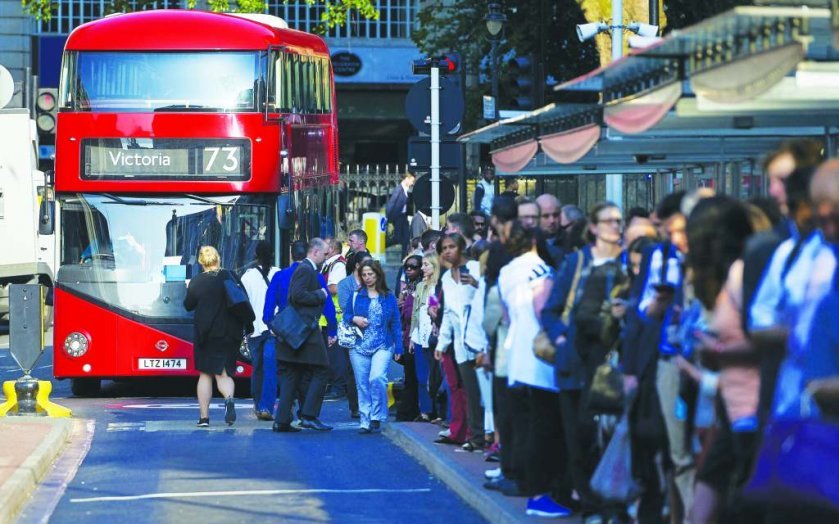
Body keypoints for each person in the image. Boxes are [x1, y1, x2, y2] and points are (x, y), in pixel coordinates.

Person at [497, 221, 570, 518]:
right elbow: (544, 310)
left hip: (515, 355)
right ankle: (541, 495)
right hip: (540, 359)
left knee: (526, 428)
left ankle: (530, 486)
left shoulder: (506, 271)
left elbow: (505, 315)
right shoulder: (540, 269)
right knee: (545, 429)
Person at [271, 238, 335, 433]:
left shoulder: (305, 269)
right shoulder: (306, 270)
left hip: (294, 333)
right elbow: (296, 295)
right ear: (314, 252)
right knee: (322, 369)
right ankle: (309, 415)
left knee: (293, 374)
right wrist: (321, 295)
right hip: (304, 331)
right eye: (325, 254)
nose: (326, 258)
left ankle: (282, 421)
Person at [183, 246, 251, 427]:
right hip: (230, 334)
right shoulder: (230, 276)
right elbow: (243, 298)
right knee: (224, 373)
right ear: (218, 259)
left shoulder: (197, 282)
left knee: (205, 374)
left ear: (201, 262)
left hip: (207, 334)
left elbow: (188, 305)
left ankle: (204, 418)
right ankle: (229, 400)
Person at [434, 232, 483, 448]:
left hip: (481, 341)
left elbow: (491, 297)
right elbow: (448, 315)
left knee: (486, 393)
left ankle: (488, 438)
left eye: (451, 246)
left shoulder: (475, 269)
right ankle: (476, 437)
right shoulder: (446, 277)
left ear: (461, 247)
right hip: (460, 344)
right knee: (470, 391)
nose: (447, 251)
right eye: (443, 248)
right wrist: (442, 343)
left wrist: (476, 284)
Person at [344, 260, 402, 433]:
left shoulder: (389, 296)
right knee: (362, 383)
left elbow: (396, 323)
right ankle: (365, 419)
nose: (368, 278)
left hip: (383, 343)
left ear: (378, 275)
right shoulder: (356, 295)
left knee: (376, 378)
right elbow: (346, 315)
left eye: (371, 274)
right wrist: (355, 319)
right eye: (364, 275)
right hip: (358, 345)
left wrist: (399, 347)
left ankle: (376, 415)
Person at [240, 240, 280, 421]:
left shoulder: (246, 277)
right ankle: (266, 406)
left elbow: (243, 303)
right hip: (273, 329)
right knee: (270, 368)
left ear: (255, 254)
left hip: (253, 328)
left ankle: (257, 405)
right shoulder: (278, 273)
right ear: (272, 254)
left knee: (257, 368)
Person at [336, 250, 373, 419]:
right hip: (353, 332)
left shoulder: (374, 281)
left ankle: (371, 404)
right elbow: (345, 307)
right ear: (357, 265)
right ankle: (356, 406)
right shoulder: (345, 284)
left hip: (372, 330)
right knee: (353, 370)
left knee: (372, 369)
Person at [410, 253, 442, 422]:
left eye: (426, 265)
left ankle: (438, 412)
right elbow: (416, 313)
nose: (422, 268)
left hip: (435, 335)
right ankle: (425, 411)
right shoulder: (421, 286)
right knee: (422, 375)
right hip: (419, 334)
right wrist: (411, 336)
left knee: (436, 375)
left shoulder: (440, 286)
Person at [395, 254, 424, 422]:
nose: (409, 270)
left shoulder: (420, 288)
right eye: (406, 267)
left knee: (415, 377)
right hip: (406, 336)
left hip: (417, 336)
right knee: (409, 376)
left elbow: (414, 315)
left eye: (413, 267)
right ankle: (409, 410)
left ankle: (412, 411)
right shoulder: (408, 288)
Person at [386, 172, 417, 256]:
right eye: (411, 181)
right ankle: (384, 244)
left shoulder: (405, 189)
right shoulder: (399, 189)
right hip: (398, 217)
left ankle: (404, 258)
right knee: (398, 238)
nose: (412, 183)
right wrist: (389, 220)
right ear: (406, 179)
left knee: (406, 239)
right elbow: (391, 204)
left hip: (403, 217)